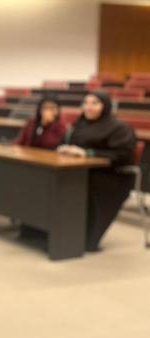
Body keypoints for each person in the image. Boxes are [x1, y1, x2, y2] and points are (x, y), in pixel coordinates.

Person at [58, 92, 136, 251]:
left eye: (95, 103)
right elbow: (67, 142)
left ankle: (85, 238)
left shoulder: (119, 128)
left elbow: (122, 155)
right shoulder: (79, 124)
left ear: (105, 106)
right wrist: (65, 148)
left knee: (75, 186)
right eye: (86, 103)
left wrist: (88, 153)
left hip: (112, 176)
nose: (89, 107)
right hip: (80, 171)